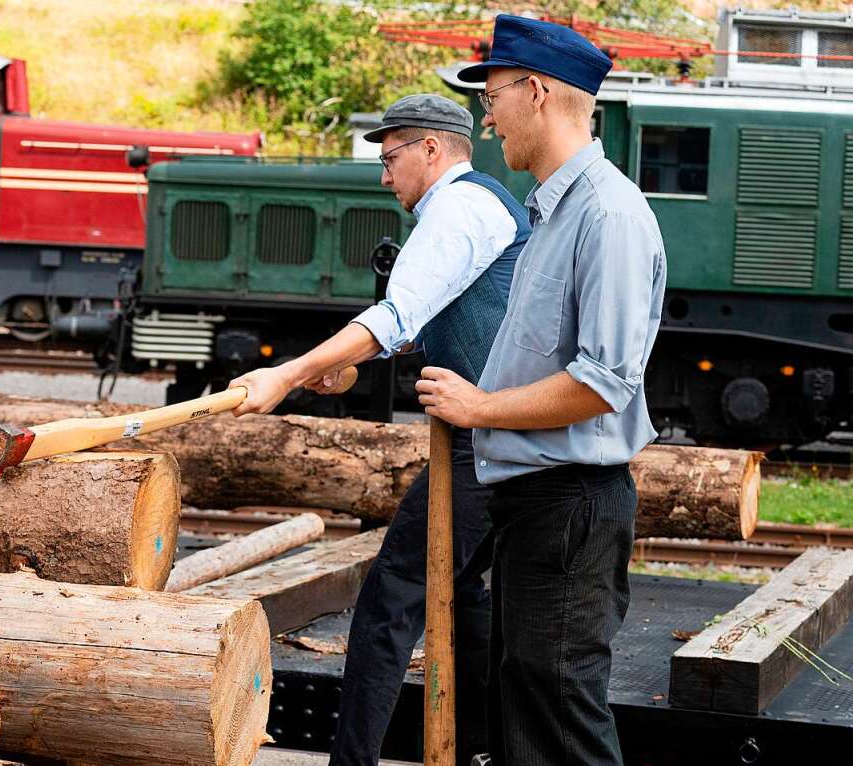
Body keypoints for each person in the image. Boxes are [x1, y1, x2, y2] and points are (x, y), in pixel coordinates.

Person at [230, 93, 531, 765]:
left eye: (390, 156)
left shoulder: (457, 209)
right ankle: (484, 750)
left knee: (389, 601)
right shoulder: (479, 204)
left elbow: (398, 313)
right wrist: (344, 366)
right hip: (496, 435)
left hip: (486, 436)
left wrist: (287, 374)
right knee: (464, 591)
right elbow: (431, 321)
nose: (383, 174)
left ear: (432, 149)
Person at [415, 15, 667, 766]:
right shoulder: (553, 211)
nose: (485, 119)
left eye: (491, 97)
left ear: (538, 92)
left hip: (571, 506)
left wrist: (481, 409)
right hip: (541, 506)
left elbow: (605, 380)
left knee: (560, 723)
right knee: (530, 716)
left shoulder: (606, 214)